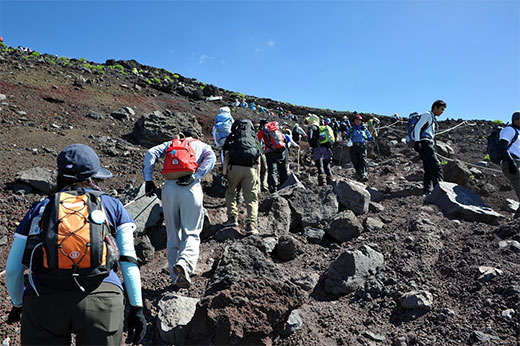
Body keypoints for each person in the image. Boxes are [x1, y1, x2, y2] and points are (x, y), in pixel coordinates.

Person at [5, 144, 146, 345]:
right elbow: (128, 260)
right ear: (93, 177)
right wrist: (137, 308)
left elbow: (12, 270)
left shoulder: (40, 209)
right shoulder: (113, 205)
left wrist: (18, 304)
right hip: (102, 298)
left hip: (44, 300)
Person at [143, 128, 216, 289]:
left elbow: (150, 152)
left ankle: (175, 278)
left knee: (173, 233)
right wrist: (195, 175)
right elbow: (212, 158)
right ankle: (185, 263)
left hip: (169, 189)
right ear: (196, 136)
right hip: (191, 189)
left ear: (181, 136)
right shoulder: (202, 146)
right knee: (191, 231)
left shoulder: (171, 144)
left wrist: (149, 180)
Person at [222, 119, 261, 233]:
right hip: (251, 170)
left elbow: (226, 157)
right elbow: (259, 158)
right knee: (252, 198)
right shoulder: (254, 138)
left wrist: (224, 175)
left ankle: (232, 218)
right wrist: (258, 176)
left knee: (230, 192)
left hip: (234, 168)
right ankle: (251, 224)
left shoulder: (232, 137)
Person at [412, 100, 447, 194]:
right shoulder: (427, 115)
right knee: (436, 166)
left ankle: (427, 190)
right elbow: (418, 127)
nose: (442, 112)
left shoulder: (432, 117)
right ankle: (440, 190)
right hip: (425, 143)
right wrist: (417, 141)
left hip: (425, 143)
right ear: (435, 107)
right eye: (441, 109)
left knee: (428, 168)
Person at [499, 111, 520, 218]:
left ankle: (516, 222)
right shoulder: (509, 130)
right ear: (516, 120)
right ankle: (516, 223)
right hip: (511, 162)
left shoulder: (518, 132)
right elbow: (503, 145)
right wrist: (510, 162)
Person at [257, 120, 288, 192]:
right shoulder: (276, 129)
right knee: (283, 170)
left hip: (271, 153)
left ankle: (274, 189)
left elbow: (257, 142)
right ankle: (285, 187)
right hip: (282, 152)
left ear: (262, 125)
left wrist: (262, 151)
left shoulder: (262, 131)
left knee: (273, 171)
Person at [306, 114, 335, 186]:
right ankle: (331, 182)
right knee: (327, 166)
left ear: (312, 121)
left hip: (317, 149)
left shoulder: (312, 128)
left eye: (309, 120)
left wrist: (312, 145)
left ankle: (322, 183)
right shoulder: (321, 128)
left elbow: (310, 139)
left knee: (320, 166)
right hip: (326, 148)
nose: (308, 122)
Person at [345, 115, 374, 182]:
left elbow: (369, 138)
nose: (358, 122)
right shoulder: (351, 129)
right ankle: (358, 174)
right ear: (354, 121)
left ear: (361, 121)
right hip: (353, 147)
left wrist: (373, 136)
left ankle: (363, 174)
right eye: (356, 120)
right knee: (355, 161)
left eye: (359, 120)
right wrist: (344, 136)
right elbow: (346, 137)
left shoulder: (364, 129)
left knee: (362, 160)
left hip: (362, 146)